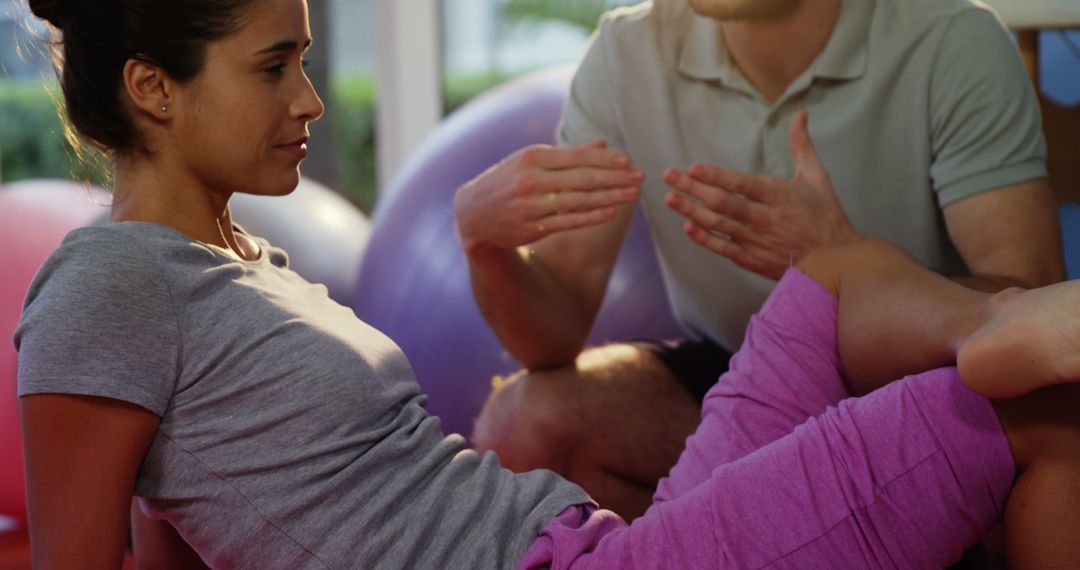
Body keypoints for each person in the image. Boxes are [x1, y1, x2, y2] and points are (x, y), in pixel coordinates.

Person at [15, 0, 1080, 568]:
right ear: (152, 89)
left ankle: (1004, 319)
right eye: (273, 65)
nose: (311, 98)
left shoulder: (237, 268)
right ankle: (1011, 341)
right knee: (1039, 423)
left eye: (303, 59)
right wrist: (486, 244)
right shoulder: (109, 283)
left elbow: (176, 536)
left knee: (838, 273)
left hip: (594, 541)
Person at [454, 0, 1067, 517]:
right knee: (524, 425)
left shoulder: (952, 37)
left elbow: (1031, 308)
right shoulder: (627, 50)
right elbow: (550, 340)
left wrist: (849, 268)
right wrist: (484, 244)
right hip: (731, 377)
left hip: (907, 388)